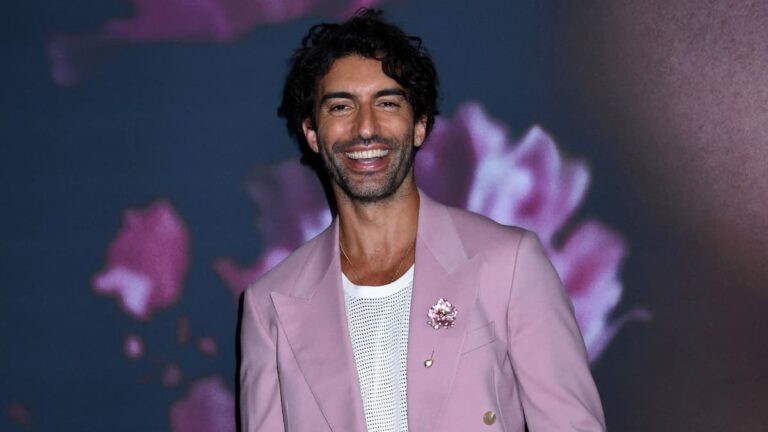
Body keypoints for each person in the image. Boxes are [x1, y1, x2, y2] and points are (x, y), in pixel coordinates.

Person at [239, 9, 606, 432]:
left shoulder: (509, 264)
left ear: (419, 126)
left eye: (387, 103)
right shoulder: (269, 305)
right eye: (341, 106)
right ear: (312, 133)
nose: (365, 128)